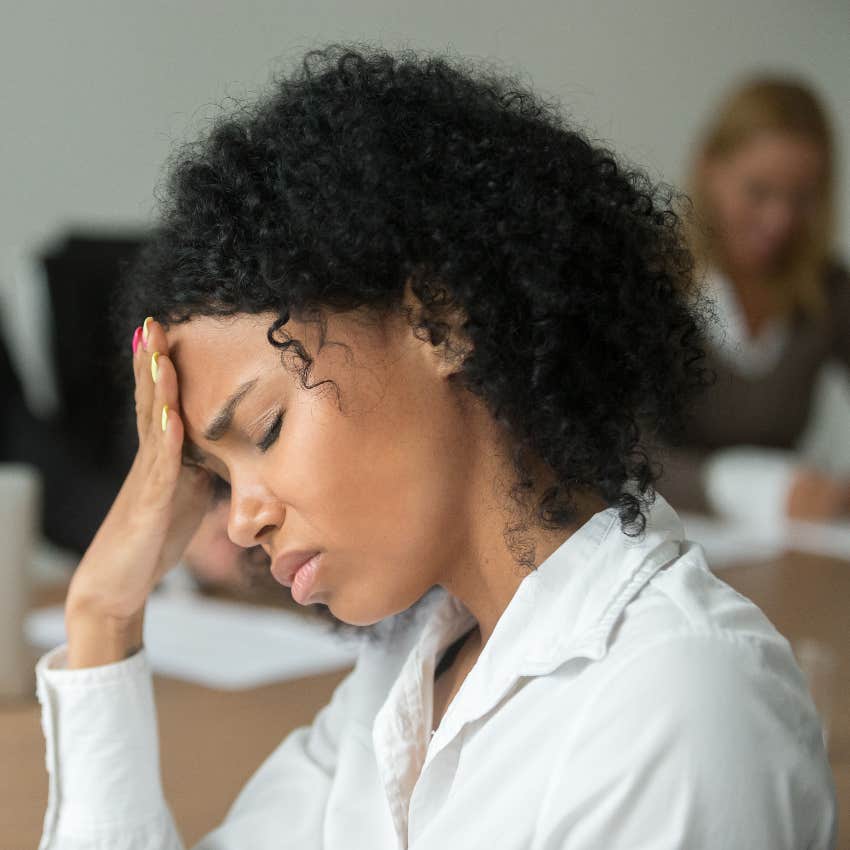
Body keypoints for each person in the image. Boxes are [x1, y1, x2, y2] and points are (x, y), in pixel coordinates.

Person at [34, 46, 835, 849]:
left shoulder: (677, 709)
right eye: (214, 476)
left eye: (266, 430)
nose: (240, 521)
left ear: (442, 323)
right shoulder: (405, 680)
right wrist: (104, 614)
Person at [655, 75, 850, 524]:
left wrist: (831, 493)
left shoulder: (827, 289)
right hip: (664, 539)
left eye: (802, 198)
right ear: (710, 169)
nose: (780, 220)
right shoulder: (653, 278)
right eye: (758, 192)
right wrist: (759, 487)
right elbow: (623, 450)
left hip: (788, 546)